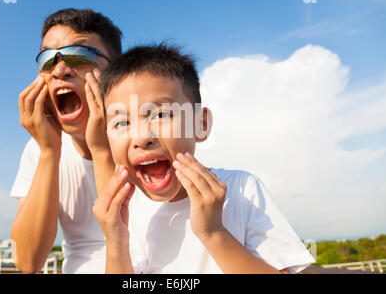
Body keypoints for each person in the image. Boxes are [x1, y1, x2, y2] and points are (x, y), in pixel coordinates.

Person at [91, 44, 315, 273]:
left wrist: (214, 233)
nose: (142, 137)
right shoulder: (126, 213)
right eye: (121, 122)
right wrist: (116, 243)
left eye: (161, 114)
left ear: (201, 123)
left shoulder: (242, 190)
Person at [9, 8, 121, 274]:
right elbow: (27, 261)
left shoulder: (143, 138)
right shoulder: (39, 149)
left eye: (79, 55)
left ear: (116, 72)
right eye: (47, 60)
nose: (60, 70)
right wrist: (49, 151)